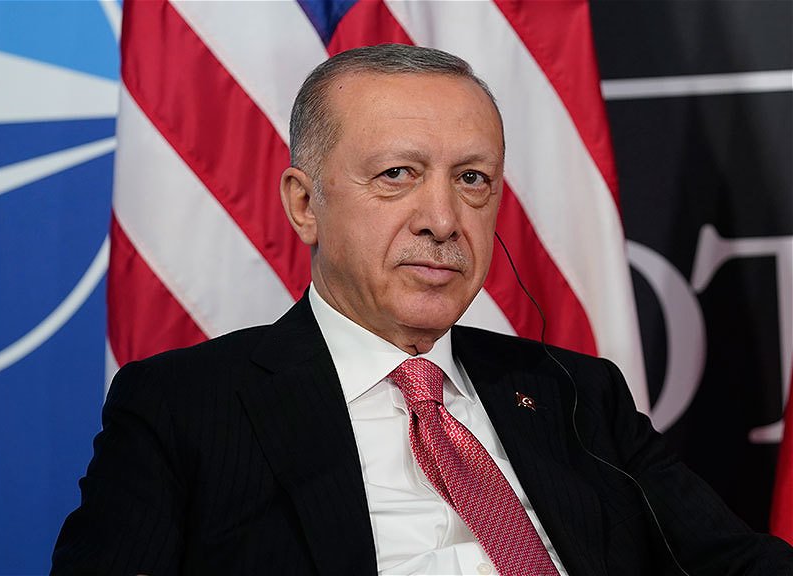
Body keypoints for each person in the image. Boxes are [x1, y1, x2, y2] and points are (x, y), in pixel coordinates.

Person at [52, 44, 792, 576]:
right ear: (305, 204)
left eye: (472, 179)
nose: (443, 220)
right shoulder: (185, 408)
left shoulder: (577, 393)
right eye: (398, 174)